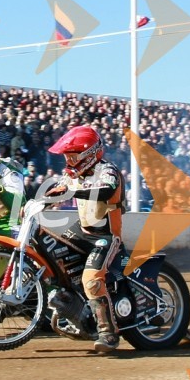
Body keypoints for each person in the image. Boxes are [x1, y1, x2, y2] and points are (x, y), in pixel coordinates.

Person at [45, 126, 126, 353]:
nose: (69, 162)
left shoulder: (108, 171)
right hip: (82, 231)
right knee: (51, 255)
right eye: (67, 157)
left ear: (89, 154)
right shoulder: (72, 175)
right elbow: (58, 190)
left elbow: (106, 191)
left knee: (92, 280)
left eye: (73, 156)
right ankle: (65, 307)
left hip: (106, 235)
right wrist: (37, 203)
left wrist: (72, 192)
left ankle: (107, 333)